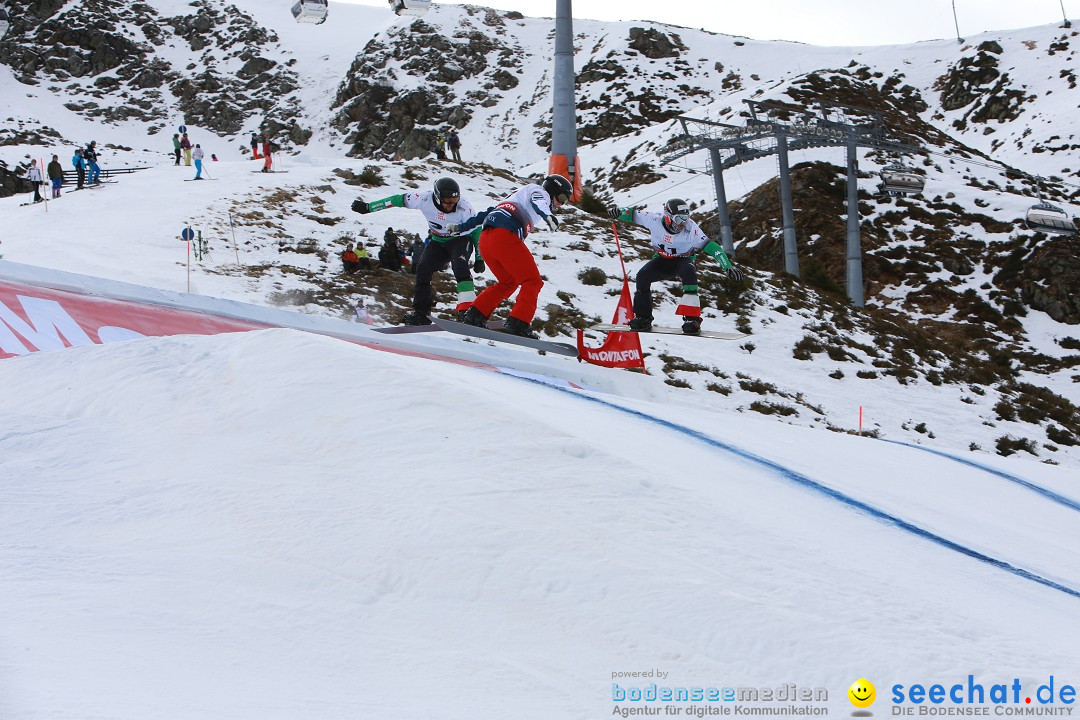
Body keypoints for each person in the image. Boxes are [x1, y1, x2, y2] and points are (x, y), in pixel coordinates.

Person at [352, 177, 485, 325]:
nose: (450, 206)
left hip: (460, 240)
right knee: (422, 269)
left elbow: (476, 232)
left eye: (454, 202)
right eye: (447, 202)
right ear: (436, 197)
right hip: (438, 241)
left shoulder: (464, 208)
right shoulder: (423, 199)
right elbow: (396, 200)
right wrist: (368, 207)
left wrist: (480, 258)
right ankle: (422, 313)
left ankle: (466, 311)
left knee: (460, 267)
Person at [454, 174, 573, 338]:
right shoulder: (539, 191)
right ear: (552, 189)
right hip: (504, 237)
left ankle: (475, 315)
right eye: (561, 197)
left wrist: (460, 228)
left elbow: (486, 214)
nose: (560, 204)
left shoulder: (516, 196)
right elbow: (539, 201)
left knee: (509, 282)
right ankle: (518, 323)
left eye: (564, 201)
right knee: (533, 282)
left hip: (486, 240)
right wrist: (548, 216)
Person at [607, 198, 745, 335]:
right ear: (667, 217)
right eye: (679, 219)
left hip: (683, 261)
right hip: (662, 260)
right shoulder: (654, 219)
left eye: (686, 219)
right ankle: (643, 317)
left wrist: (728, 267)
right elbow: (632, 214)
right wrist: (617, 212)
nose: (683, 224)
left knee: (689, 271)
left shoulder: (691, 229)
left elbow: (712, 247)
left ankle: (692, 319)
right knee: (642, 276)